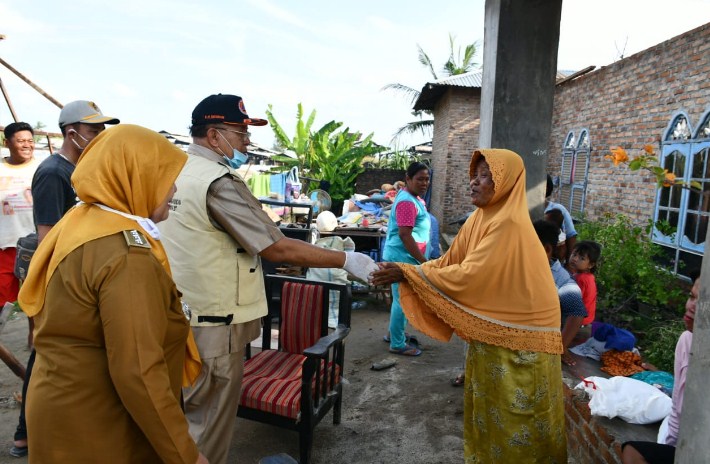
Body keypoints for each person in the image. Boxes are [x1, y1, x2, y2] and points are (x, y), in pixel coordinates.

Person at [160, 93, 378, 464]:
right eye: (240, 132)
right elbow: (275, 248)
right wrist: (346, 258)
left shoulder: (176, 170)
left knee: (181, 415)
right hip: (215, 326)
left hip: (180, 313)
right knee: (206, 428)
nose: (247, 141)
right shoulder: (219, 181)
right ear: (214, 135)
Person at [17, 125, 206, 463]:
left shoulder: (83, 219)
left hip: (61, 407)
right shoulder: (126, 256)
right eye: (166, 177)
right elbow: (138, 372)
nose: (173, 189)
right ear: (137, 176)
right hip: (98, 423)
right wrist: (187, 455)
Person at [371, 149, 566, 462]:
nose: (474, 182)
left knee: (519, 420)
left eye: (485, 176)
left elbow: (470, 276)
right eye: (475, 175)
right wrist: (413, 272)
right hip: (495, 332)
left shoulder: (508, 224)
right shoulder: (480, 219)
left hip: (524, 339)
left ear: (505, 184)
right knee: (491, 414)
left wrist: (411, 271)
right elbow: (451, 262)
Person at [9, 101, 120, 458]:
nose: (99, 136)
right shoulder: (55, 172)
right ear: (71, 133)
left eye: (102, 129)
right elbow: (48, 237)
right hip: (57, 273)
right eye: (93, 130)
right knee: (46, 352)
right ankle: (25, 433)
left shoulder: (80, 169)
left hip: (72, 273)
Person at [621, 269, 700, 464]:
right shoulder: (687, 341)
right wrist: (669, 446)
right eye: (691, 296)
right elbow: (678, 406)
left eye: (703, 301)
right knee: (632, 452)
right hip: (686, 445)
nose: (691, 306)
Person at [382, 162, 430, 356]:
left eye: (427, 179)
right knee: (403, 300)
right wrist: (422, 260)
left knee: (400, 299)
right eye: (420, 179)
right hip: (403, 257)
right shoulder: (407, 202)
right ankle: (397, 343)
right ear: (408, 179)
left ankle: (394, 333)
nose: (424, 183)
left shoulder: (411, 197)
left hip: (404, 256)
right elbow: (405, 235)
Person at [534, 219, 587, 366]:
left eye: (527, 246)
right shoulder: (516, 265)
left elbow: (577, 311)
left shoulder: (560, 278)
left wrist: (561, 347)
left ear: (546, 249)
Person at [1, 122, 40, 307]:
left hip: (36, 245)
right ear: (6, 142)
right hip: (4, 246)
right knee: (3, 304)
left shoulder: (43, 170)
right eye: (21, 141)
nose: (27, 145)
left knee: (35, 305)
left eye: (30, 141)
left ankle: (35, 337)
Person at [568, 240, 601, 326]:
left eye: (582, 258)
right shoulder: (589, 277)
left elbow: (573, 301)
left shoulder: (581, 279)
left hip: (577, 324)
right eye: (574, 254)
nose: (575, 259)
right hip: (587, 321)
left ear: (591, 265)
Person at [545, 174, 577, 263]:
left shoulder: (558, 209)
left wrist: (569, 263)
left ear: (546, 188)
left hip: (555, 261)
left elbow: (571, 235)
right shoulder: (523, 209)